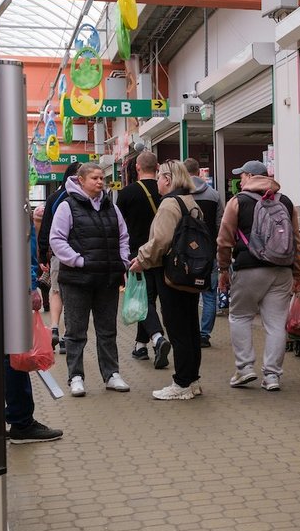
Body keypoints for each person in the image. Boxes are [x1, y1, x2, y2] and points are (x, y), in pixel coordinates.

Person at [216, 160, 300, 391]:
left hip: (249, 269)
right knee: (276, 324)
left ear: (249, 176)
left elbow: (224, 239)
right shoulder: (285, 201)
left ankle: (244, 369)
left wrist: (223, 269)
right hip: (282, 270)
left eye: (241, 176)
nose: (239, 181)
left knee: (240, 316)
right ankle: (272, 376)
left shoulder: (238, 201)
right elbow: (295, 241)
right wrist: (297, 273)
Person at [49, 162, 132, 397]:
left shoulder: (111, 207)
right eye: (94, 178)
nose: (100, 182)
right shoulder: (67, 206)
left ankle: (111, 374)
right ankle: (76, 376)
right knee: (76, 331)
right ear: (81, 180)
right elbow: (57, 240)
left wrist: (123, 260)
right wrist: (78, 261)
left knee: (107, 329)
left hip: (107, 278)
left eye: (101, 178)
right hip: (77, 280)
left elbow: (123, 235)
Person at [129, 160, 206, 400]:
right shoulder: (192, 203)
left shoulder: (169, 204)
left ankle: (181, 383)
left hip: (172, 275)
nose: (159, 183)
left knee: (177, 328)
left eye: (161, 177)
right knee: (191, 327)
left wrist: (141, 258)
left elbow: (161, 241)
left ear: (168, 179)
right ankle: (192, 379)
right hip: (192, 274)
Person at [5, 218, 63, 444]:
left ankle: (0, 419)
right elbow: (21, 249)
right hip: (10, 290)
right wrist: (30, 286)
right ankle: (21, 422)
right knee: (14, 354)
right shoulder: (14, 202)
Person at [116, 150, 171, 368]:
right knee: (152, 299)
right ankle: (140, 345)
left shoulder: (127, 193)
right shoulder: (165, 192)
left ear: (137, 167)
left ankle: (157, 338)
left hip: (137, 256)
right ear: (157, 167)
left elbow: (118, 227)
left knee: (143, 301)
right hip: (164, 254)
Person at [38, 162, 81, 354]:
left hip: (56, 254)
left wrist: (42, 254)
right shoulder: (83, 197)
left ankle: (54, 327)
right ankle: (66, 336)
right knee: (72, 295)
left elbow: (46, 228)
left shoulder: (54, 198)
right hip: (78, 255)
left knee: (56, 292)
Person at [184, 157, 224, 348]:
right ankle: (204, 334)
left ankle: (188, 331)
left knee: (187, 291)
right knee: (209, 294)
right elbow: (220, 224)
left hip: (187, 253)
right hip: (210, 251)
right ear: (199, 172)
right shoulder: (214, 195)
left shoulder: (181, 195)